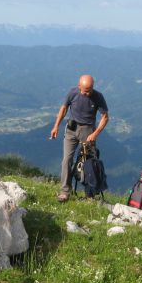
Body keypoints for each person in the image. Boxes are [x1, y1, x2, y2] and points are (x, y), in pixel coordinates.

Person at [50, 74, 109, 202]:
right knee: (66, 160)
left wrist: (95, 134)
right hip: (71, 129)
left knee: (89, 163)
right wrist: (56, 126)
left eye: (90, 90)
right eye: (85, 91)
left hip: (88, 131)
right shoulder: (73, 93)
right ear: (79, 86)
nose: (88, 93)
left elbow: (105, 117)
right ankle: (65, 191)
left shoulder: (98, 97)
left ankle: (90, 194)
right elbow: (64, 108)